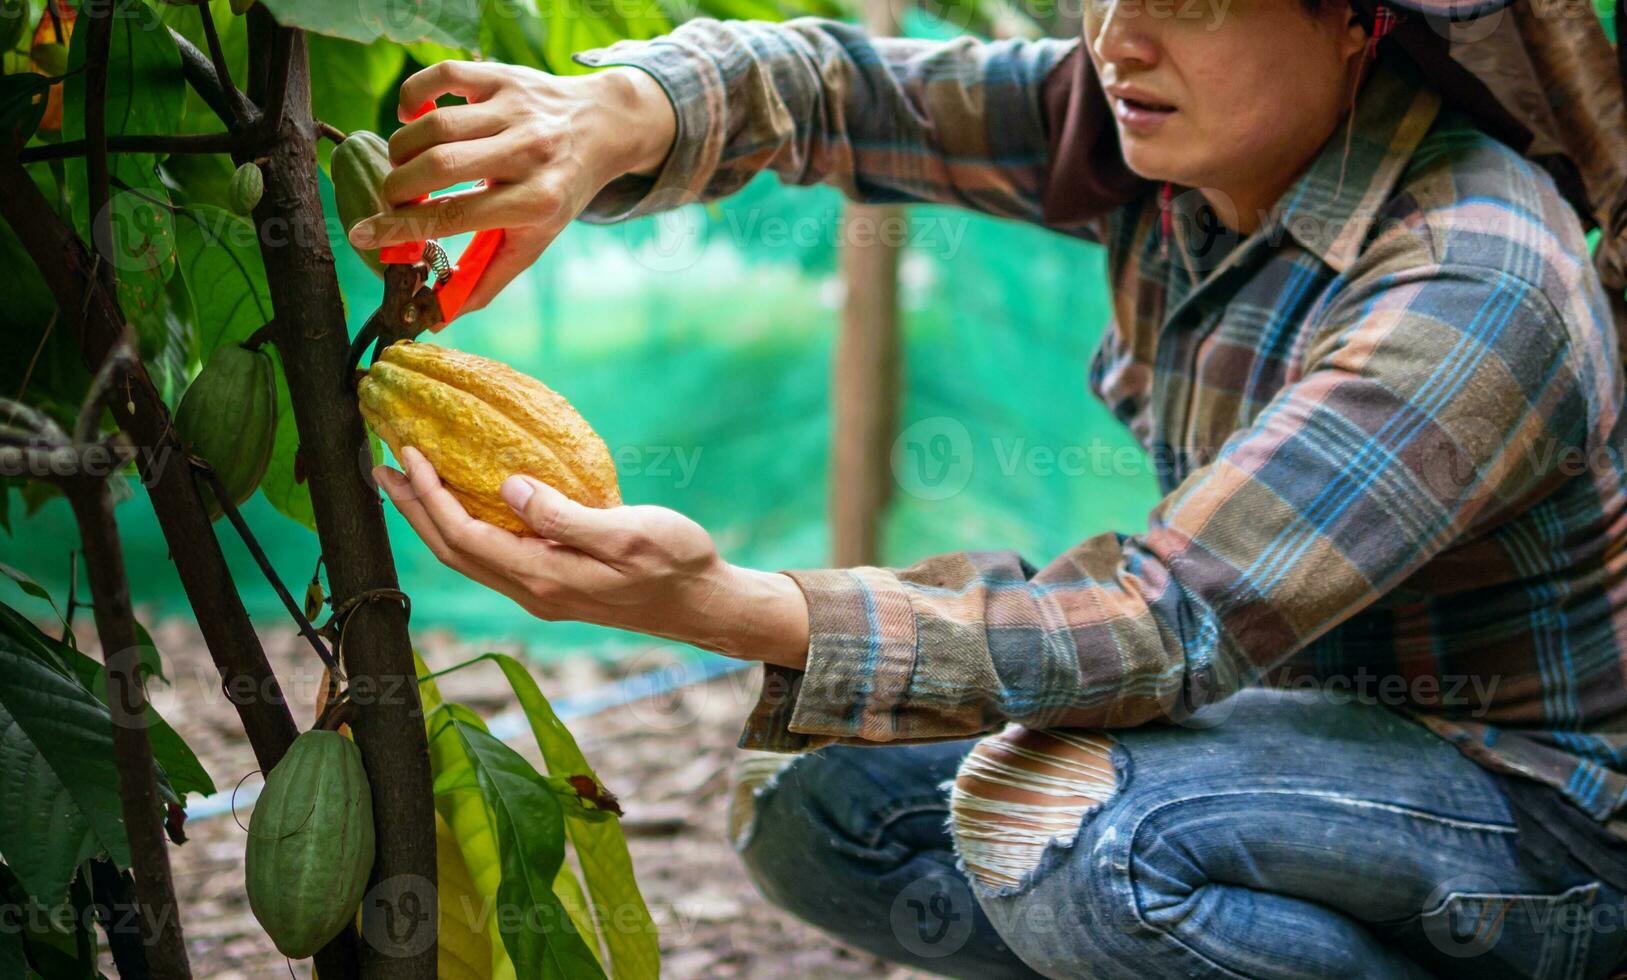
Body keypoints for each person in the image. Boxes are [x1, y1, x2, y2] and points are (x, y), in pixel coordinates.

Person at [357, 0, 1627, 973]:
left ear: (1355, 24)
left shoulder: (1471, 271)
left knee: (1087, 842)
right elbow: (843, 93)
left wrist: (718, 600)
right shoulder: (1155, 133)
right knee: (818, 800)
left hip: (1537, 820)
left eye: (1187, 0)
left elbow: (1159, 621)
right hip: (1284, 737)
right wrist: (611, 115)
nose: (1119, 40)